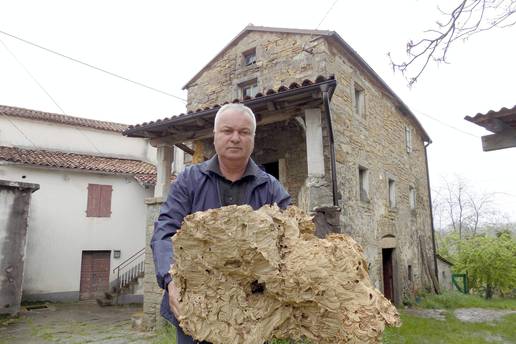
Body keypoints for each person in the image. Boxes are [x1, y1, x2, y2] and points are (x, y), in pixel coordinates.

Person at [151, 103, 291, 344]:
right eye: (228, 131)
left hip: (252, 315)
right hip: (195, 308)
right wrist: (170, 281)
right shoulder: (188, 181)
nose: (235, 138)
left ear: (253, 139)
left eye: (244, 132)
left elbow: (291, 240)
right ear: (215, 136)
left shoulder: (271, 188)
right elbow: (165, 231)